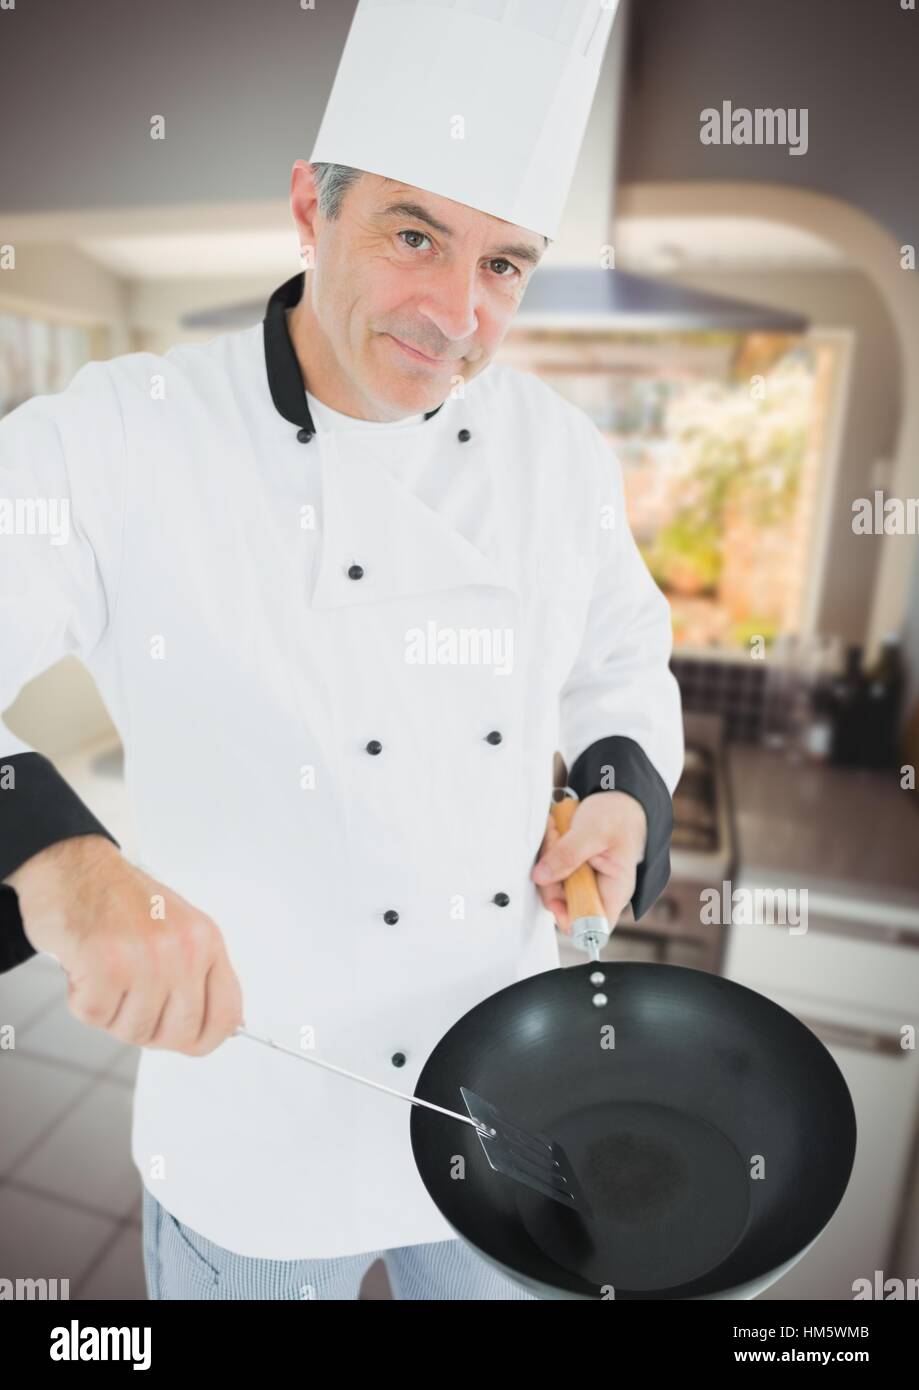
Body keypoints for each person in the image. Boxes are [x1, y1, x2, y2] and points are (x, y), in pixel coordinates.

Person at [0, 0, 683, 1299]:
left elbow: (621, 662)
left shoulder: (558, 456)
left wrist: (615, 794)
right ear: (311, 206)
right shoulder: (127, 438)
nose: (457, 316)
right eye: (415, 234)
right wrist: (60, 858)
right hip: (252, 1113)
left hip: (506, 1102)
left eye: (504, 265)